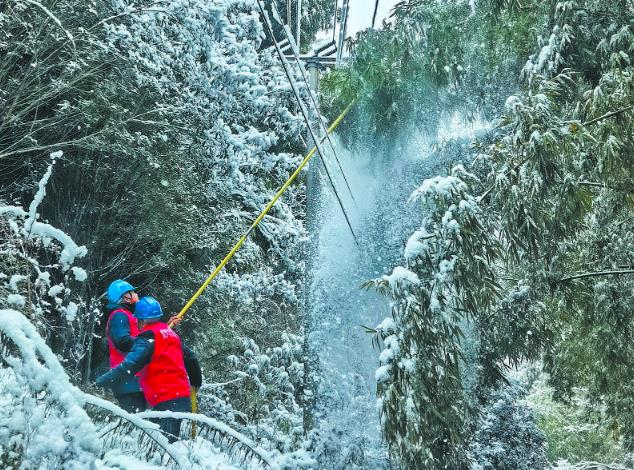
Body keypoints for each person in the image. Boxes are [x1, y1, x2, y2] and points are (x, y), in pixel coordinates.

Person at [96, 296, 202, 443]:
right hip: (180, 396)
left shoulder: (147, 339)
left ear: (140, 320)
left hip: (166, 399)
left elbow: (130, 366)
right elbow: (191, 358)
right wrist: (196, 382)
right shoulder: (170, 333)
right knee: (164, 443)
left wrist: (103, 381)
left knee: (165, 449)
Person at [105, 279, 146, 413]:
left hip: (134, 379)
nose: (136, 295)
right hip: (127, 381)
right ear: (126, 297)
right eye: (132, 292)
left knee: (144, 423)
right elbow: (122, 341)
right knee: (136, 423)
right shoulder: (119, 316)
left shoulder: (129, 315)